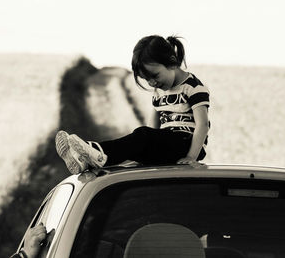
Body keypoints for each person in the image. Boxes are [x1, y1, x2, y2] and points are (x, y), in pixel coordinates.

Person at [56, 35, 210, 174]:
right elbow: (153, 127)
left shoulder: (193, 87)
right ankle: (88, 159)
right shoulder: (160, 92)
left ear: (172, 62)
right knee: (134, 147)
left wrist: (191, 156)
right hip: (167, 145)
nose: (152, 82)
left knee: (141, 135)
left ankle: (94, 151)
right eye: (146, 79)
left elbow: (203, 125)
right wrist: (145, 149)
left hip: (187, 143)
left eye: (155, 76)